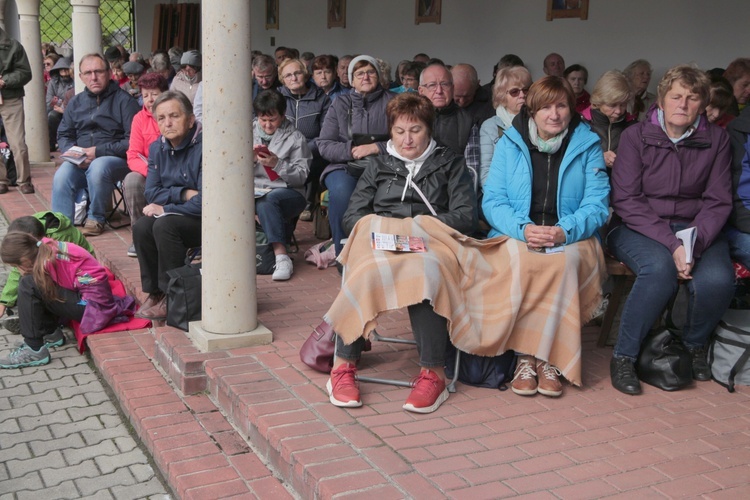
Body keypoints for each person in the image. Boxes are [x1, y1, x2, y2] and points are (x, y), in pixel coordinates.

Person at [326, 93, 478, 413]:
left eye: (416, 130)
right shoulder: (378, 165)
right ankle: (342, 367)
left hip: (432, 245)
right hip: (383, 242)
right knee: (363, 270)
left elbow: (465, 216)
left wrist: (418, 228)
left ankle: (433, 373)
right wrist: (385, 229)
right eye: (399, 131)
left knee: (425, 271)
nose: (407, 139)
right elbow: (352, 217)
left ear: (429, 130)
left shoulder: (450, 163)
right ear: (391, 132)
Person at [607, 65, 734, 395]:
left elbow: (718, 201)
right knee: (659, 269)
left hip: (696, 228)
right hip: (638, 226)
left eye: (692, 98)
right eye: (675, 96)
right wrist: (672, 245)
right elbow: (627, 199)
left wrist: (694, 244)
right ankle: (624, 356)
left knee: (719, 279)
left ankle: (692, 345)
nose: (683, 104)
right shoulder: (635, 136)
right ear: (660, 102)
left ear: (702, 104)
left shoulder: (717, 140)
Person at [482, 75, 610, 397]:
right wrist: (523, 229)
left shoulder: (588, 144)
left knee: (561, 266)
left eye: (562, 105)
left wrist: (563, 232)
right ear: (532, 111)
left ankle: (548, 357)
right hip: (517, 231)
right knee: (524, 263)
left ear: (572, 107)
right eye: (546, 107)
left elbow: (596, 205)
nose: (554, 114)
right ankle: (527, 356)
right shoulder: (509, 143)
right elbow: (493, 201)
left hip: (570, 235)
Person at [0, 232, 136, 369]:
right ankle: (49, 333)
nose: (17, 269)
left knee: (29, 284)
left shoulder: (51, 258)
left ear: (24, 259)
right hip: (87, 299)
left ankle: (34, 349)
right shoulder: (45, 249)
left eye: (16, 266)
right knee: (31, 283)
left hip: (93, 308)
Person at [52, 53, 141, 237]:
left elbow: (132, 141)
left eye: (98, 71)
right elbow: (64, 133)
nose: (93, 77)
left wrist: (98, 152)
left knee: (99, 166)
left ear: (109, 73)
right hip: (82, 161)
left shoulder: (125, 101)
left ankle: (96, 218)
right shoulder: (76, 102)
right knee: (62, 174)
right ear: (81, 77)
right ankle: (61, 227)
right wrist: (73, 153)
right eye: (88, 73)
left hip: (117, 161)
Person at [132, 91, 202, 321]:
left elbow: (205, 201)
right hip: (181, 209)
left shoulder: (204, 146)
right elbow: (151, 191)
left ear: (190, 119)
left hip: (205, 219)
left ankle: (173, 295)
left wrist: (167, 207)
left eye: (174, 116)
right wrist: (183, 193)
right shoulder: (157, 148)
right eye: (161, 118)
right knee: (142, 226)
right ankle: (156, 292)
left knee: (164, 225)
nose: (167, 123)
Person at [319, 55, 395, 255]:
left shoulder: (394, 102)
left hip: (385, 165)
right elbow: (325, 144)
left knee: (390, 194)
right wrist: (352, 151)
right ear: (351, 79)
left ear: (379, 76)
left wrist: (376, 147)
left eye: (370, 72)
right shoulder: (339, 103)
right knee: (342, 192)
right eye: (359, 73)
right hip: (345, 166)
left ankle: (381, 251)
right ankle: (343, 251)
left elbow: (406, 140)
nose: (366, 77)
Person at [0, 212, 95, 337]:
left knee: (31, 283)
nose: (18, 269)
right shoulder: (32, 231)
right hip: (71, 284)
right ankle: (35, 322)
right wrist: (4, 301)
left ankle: (37, 333)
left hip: (81, 289)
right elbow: (16, 273)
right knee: (28, 283)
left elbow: (63, 276)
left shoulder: (59, 241)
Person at [252, 90, 312, 280]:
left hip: (288, 191)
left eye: (273, 120)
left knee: (267, 202)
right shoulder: (248, 132)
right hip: (254, 190)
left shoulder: (296, 138)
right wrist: (250, 160)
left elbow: (301, 176)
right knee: (259, 202)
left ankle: (281, 257)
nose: (268, 125)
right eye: (263, 120)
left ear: (283, 116)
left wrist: (277, 164)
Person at [278, 58, 330, 223]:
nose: (293, 78)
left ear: (306, 75)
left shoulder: (322, 99)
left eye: (297, 73)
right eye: (288, 75)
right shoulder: (278, 98)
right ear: (283, 80)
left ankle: (304, 204)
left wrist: (302, 150)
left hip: (312, 151)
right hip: (281, 152)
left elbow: (326, 135)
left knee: (306, 166)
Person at [123, 73, 170, 258]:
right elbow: (133, 155)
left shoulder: (173, 115)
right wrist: (152, 173)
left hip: (175, 170)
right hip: (149, 172)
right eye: (145, 95)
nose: (150, 100)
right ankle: (139, 236)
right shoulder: (139, 119)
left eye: (154, 94)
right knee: (132, 180)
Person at [418, 63, 480, 189]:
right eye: (432, 85)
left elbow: (471, 170)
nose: (439, 91)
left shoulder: (467, 121)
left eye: (444, 84)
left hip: (452, 192)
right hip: (414, 191)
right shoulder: (410, 117)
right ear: (421, 91)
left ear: (452, 88)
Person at [479, 65, 532, 186]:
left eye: (526, 90)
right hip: (502, 195)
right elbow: (485, 173)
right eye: (514, 91)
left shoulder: (540, 122)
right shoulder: (490, 127)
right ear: (502, 96)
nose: (522, 95)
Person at [0, 27, 34, 195]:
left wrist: (4, 81)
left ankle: (24, 180)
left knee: (18, 143)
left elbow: (26, 73)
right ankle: (1, 180)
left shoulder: (14, 46)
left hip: (10, 98)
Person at [581, 70, 636, 170]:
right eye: (612, 105)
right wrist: (598, 158)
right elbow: (571, 161)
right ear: (598, 101)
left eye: (623, 104)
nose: (619, 111)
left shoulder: (633, 126)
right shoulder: (581, 123)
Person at [46, 57, 74, 152]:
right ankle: (51, 143)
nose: (64, 71)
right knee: (51, 116)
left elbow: (75, 98)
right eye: (61, 69)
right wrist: (59, 105)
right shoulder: (53, 82)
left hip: (70, 109)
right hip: (56, 110)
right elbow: (49, 100)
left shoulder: (74, 81)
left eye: (66, 69)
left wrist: (63, 108)